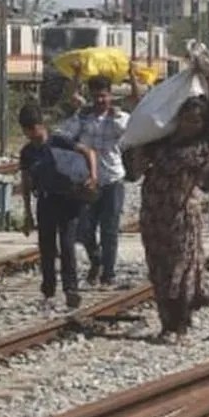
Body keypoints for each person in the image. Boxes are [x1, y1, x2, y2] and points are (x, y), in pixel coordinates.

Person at [130, 68, 209, 343]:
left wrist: (207, 71)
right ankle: (167, 324)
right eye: (186, 118)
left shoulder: (204, 146)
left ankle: (181, 325)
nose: (190, 125)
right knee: (159, 270)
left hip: (182, 217)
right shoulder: (159, 144)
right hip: (154, 215)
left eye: (196, 120)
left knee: (182, 270)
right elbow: (136, 166)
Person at [18, 103, 98, 309]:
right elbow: (26, 182)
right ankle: (48, 288)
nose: (31, 134)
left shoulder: (59, 141)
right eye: (27, 131)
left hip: (68, 199)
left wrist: (93, 177)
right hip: (45, 200)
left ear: (41, 125)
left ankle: (71, 288)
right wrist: (27, 213)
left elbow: (88, 152)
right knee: (46, 247)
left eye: (33, 129)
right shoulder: (27, 152)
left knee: (67, 244)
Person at [61, 72, 135, 288]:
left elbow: (128, 132)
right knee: (85, 228)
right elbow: (66, 134)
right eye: (96, 97)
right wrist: (76, 106)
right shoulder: (83, 118)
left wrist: (115, 114)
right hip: (87, 181)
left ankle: (108, 274)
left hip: (112, 179)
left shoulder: (118, 117)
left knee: (109, 229)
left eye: (103, 96)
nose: (100, 100)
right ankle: (96, 260)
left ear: (110, 95)